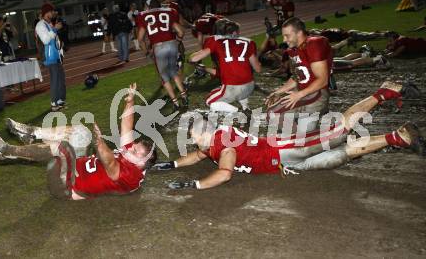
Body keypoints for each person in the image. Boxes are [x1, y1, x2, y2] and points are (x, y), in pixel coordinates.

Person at [153, 81, 423, 190]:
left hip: (284, 151)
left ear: (206, 130)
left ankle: (385, 90)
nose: (191, 138)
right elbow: (197, 155)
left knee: (339, 130)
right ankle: (398, 137)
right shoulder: (212, 142)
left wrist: (195, 185)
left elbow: (225, 173)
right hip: (285, 164)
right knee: (338, 156)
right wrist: (172, 164)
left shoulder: (223, 144)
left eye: (193, 133)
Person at [0, 84, 157, 200]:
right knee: (81, 132)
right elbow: (127, 126)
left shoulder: (131, 176)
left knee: (64, 148)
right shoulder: (133, 157)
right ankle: (33, 133)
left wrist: (99, 143)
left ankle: (6, 151)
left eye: (135, 152)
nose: (130, 148)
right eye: (134, 146)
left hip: (67, 186)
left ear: (142, 164)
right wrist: (131, 100)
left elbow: (110, 164)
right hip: (75, 167)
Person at [265, 17, 332, 133]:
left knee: (274, 114)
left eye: (287, 35)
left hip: (317, 94)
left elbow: (323, 80)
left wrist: (299, 94)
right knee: (274, 114)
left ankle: (305, 138)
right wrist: (278, 92)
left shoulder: (314, 44)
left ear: (299, 33)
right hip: (306, 94)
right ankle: (304, 137)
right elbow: (297, 77)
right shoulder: (293, 50)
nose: (284, 40)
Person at [190, 19, 261, 114]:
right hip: (249, 86)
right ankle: (245, 107)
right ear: (236, 32)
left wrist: (191, 58)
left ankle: (239, 112)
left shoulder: (217, 42)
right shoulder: (248, 42)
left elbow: (194, 59)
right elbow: (258, 69)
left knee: (210, 101)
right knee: (233, 86)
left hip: (232, 86)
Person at [136, 0, 188, 111]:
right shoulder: (169, 12)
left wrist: (146, 52)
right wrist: (177, 42)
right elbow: (181, 31)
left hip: (158, 47)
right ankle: (184, 95)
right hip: (172, 44)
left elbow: (140, 39)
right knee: (174, 72)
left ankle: (175, 103)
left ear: (149, 7)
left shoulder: (142, 15)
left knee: (164, 77)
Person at [35, 3, 66, 111]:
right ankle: (54, 103)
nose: (53, 13)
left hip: (56, 55)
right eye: (51, 11)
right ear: (46, 13)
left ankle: (60, 101)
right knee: (55, 80)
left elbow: (54, 40)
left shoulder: (48, 24)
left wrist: (60, 47)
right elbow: (46, 40)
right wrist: (55, 29)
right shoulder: (40, 25)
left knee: (60, 79)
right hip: (49, 57)